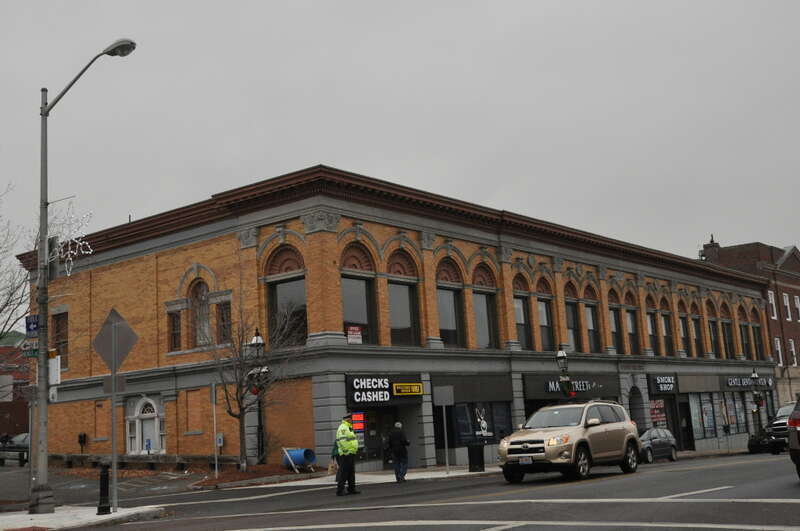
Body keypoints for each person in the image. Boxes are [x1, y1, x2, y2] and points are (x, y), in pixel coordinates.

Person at [335, 412, 360, 496]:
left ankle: (351, 489)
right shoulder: (343, 428)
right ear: (348, 419)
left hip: (350, 453)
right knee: (344, 472)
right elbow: (342, 441)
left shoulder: (348, 428)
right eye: (351, 419)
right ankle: (340, 490)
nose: (352, 420)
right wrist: (346, 452)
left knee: (351, 472)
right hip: (346, 454)